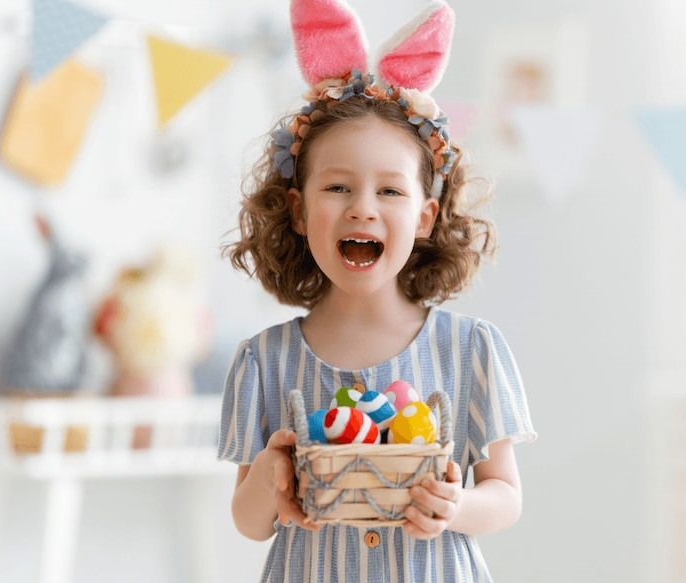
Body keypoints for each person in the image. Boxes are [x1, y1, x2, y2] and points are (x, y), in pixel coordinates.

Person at [217, 1, 536, 581]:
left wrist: (458, 506)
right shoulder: (264, 361)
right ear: (297, 209)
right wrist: (269, 474)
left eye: (390, 191)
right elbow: (248, 521)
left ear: (425, 216)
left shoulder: (471, 351)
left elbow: (506, 495)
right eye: (337, 186)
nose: (362, 208)